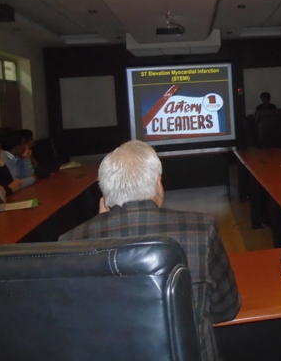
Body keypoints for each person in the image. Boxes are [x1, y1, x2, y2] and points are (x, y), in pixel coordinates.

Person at [59, 140, 240, 361]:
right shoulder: (201, 229)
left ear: (105, 196)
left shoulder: (70, 242)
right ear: (158, 185)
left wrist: (97, 228)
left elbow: (74, 321)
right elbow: (227, 309)